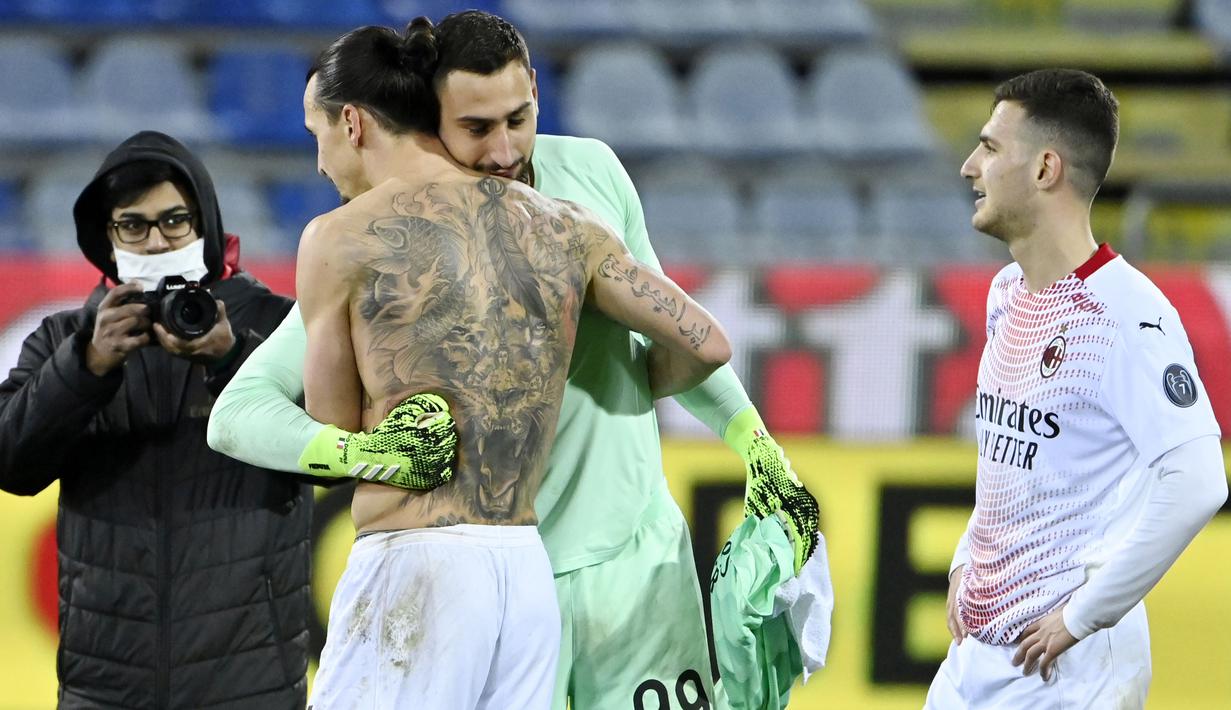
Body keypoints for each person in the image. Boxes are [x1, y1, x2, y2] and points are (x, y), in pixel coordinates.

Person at [207, 10, 819, 707]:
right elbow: (699, 336)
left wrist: (751, 440)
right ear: (430, 118)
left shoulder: (373, 234)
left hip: (600, 556)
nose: (503, 149)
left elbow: (297, 415)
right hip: (527, 561)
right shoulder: (557, 226)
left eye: (518, 118)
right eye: (475, 129)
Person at [927, 69, 1228, 709]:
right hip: (978, 654)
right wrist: (964, 561)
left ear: (1044, 170)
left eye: (989, 147)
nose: (967, 166)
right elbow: (1014, 462)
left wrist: (1084, 615)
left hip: (1067, 672)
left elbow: (1200, 480)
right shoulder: (1007, 292)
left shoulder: (1126, 316)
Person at [0, 131, 314, 708]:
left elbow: (332, 455)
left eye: (175, 221)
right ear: (107, 237)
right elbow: (11, 464)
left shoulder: (276, 325)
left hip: (249, 681)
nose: (157, 240)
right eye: (133, 225)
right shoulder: (62, 339)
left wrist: (230, 360)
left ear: (206, 224)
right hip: (106, 683)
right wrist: (86, 366)